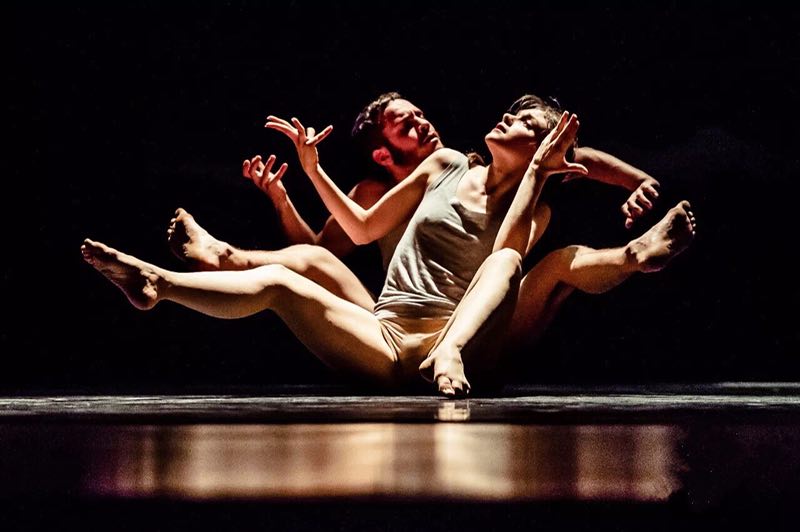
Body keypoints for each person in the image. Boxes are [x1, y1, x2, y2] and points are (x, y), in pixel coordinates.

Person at [82, 96, 695, 396]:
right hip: (385, 334)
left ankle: (635, 257)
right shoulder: (445, 164)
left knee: (533, 261)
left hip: (462, 341)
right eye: (512, 114)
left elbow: (505, 258)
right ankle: (159, 283)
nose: (507, 118)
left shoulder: (535, 207)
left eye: (524, 124)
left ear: (542, 150)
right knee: (285, 281)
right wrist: (311, 169)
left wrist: (570, 174)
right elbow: (361, 229)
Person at [168, 93, 663, 310]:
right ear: (383, 154)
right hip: (398, 310)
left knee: (554, 266)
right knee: (308, 266)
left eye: (420, 115)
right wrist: (285, 196)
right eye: (406, 125)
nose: (422, 124)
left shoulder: (469, 168)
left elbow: (566, 154)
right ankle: (224, 257)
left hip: (474, 313)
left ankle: (633, 256)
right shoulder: (375, 192)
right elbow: (320, 251)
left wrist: (635, 180)